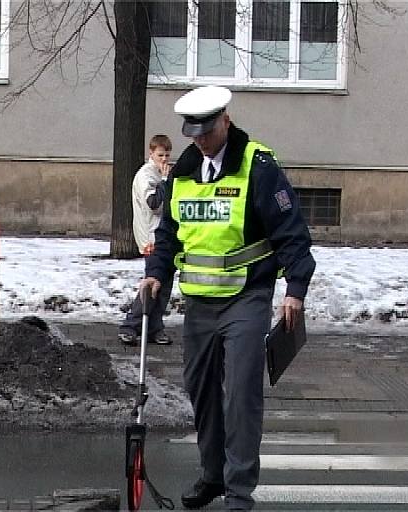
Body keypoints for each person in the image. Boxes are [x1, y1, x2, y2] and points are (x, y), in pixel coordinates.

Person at [139, 86, 316, 510]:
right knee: (200, 390)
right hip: (199, 302)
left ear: (225, 121)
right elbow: (169, 235)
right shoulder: (182, 171)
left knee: (240, 393)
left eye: (207, 131)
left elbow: (292, 232)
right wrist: (155, 275)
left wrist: (295, 289)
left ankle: (239, 492)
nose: (200, 140)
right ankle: (212, 474)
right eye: (193, 133)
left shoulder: (258, 166)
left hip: (247, 298)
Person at [118, 134, 174, 346]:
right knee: (152, 283)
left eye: (167, 155)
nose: (165, 159)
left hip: (163, 236)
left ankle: (154, 327)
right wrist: (166, 183)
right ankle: (131, 325)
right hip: (152, 236)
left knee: (164, 283)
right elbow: (153, 203)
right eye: (160, 155)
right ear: (151, 153)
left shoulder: (159, 173)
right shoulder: (147, 176)